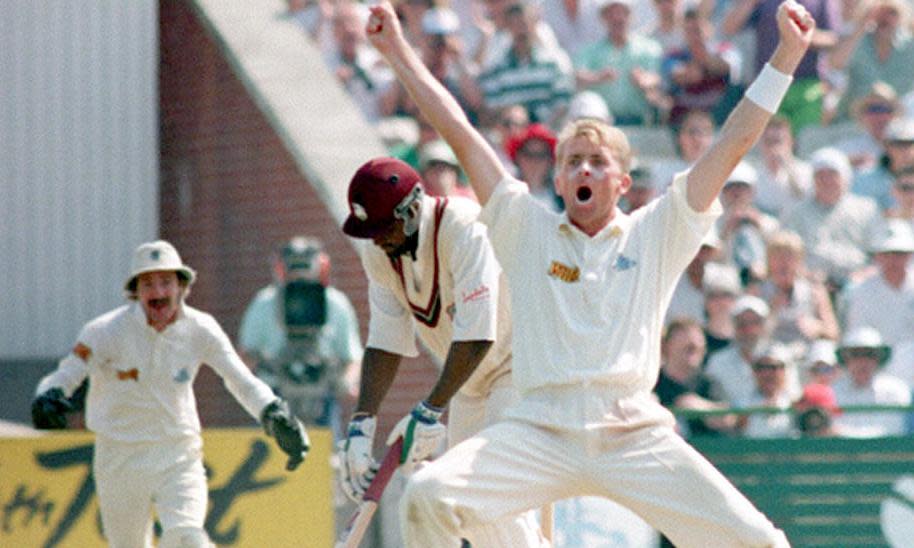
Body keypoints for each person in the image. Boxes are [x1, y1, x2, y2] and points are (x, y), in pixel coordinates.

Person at [364, 1, 814, 545]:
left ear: (623, 184)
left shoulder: (659, 230)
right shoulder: (524, 230)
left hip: (633, 434)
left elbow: (732, 143)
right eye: (573, 160)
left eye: (598, 163)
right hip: (538, 431)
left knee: (761, 541)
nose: (584, 169)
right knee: (428, 498)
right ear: (556, 180)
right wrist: (397, 51)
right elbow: (458, 130)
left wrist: (785, 56)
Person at [30, 240, 308, 548]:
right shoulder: (105, 331)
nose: (158, 292)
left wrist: (272, 411)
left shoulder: (201, 328)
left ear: (181, 286)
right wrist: (49, 395)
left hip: (178, 455)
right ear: (135, 290)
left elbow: (239, 379)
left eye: (166, 282)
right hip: (119, 457)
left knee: (188, 540)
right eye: (148, 284)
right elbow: (69, 371)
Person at [337, 157, 543, 544]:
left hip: (521, 368)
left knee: (494, 491)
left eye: (384, 227)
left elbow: (477, 334)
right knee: (468, 509)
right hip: (470, 383)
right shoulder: (378, 251)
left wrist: (429, 410)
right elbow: (384, 342)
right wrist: (361, 425)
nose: (377, 239)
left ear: (412, 208)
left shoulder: (465, 227)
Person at [238, 236, 363, 436]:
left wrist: (346, 384)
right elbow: (246, 354)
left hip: (322, 398)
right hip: (274, 395)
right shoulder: (263, 303)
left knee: (325, 459)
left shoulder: (337, 303)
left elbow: (352, 357)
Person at [831, 326, 911, 437]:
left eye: (869, 354)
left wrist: (842, 433)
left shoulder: (896, 390)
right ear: (845, 359)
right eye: (855, 355)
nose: (862, 362)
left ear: (879, 358)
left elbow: (893, 430)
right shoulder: (832, 392)